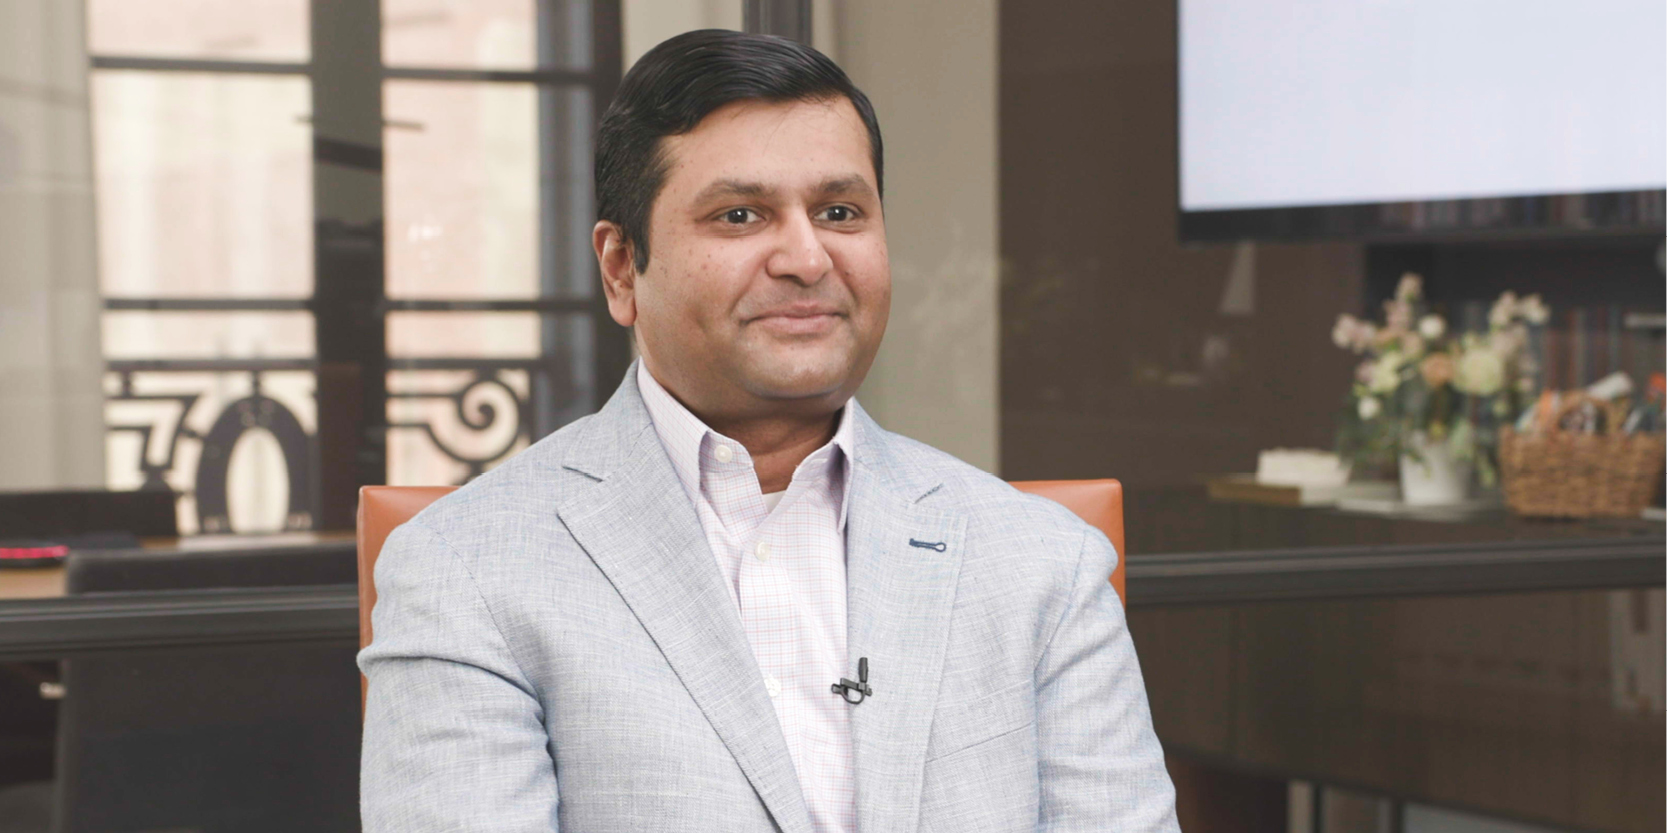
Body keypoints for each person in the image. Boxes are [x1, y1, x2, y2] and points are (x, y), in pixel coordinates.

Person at [359, 29, 1179, 833]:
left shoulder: (1042, 565)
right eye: (740, 215)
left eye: (839, 211)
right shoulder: (468, 570)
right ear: (620, 268)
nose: (806, 258)